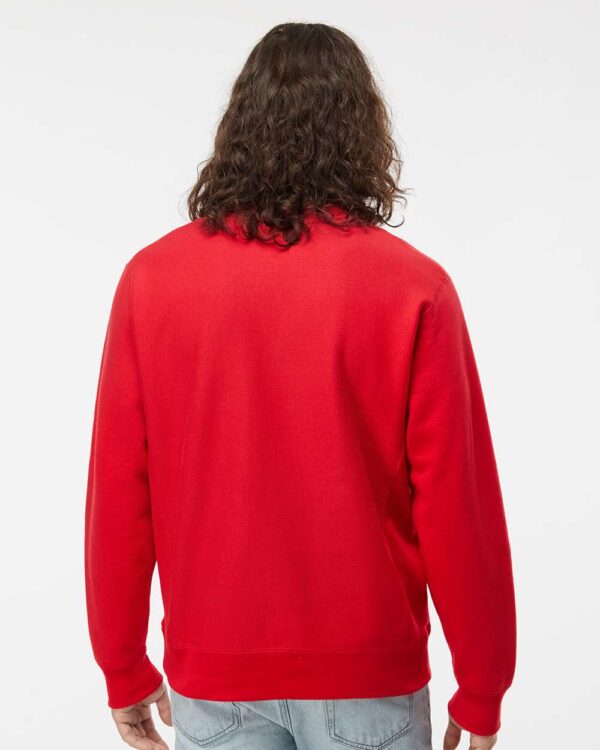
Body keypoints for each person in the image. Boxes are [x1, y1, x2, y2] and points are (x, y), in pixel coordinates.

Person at [84, 22, 516, 750]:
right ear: (361, 135)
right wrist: (483, 685)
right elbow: (456, 504)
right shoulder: (414, 289)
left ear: (239, 127)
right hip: (367, 678)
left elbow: (119, 494)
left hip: (216, 676)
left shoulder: (152, 283)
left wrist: (122, 666)